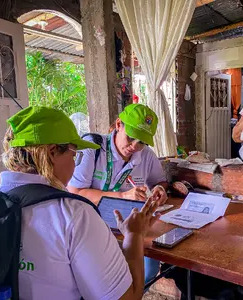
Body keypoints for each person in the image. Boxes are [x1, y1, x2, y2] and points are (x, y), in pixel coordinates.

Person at [0, 106, 160, 300]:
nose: (76, 164)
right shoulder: (75, 215)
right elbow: (127, 297)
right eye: (74, 155)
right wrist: (134, 235)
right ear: (51, 152)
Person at [67, 103, 168, 284]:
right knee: (104, 277)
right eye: (131, 138)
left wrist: (160, 189)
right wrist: (122, 196)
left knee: (148, 271)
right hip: (93, 224)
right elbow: (76, 192)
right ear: (118, 124)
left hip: (131, 225)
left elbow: (159, 182)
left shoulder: (146, 156)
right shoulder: (92, 149)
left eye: (142, 142)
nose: (135, 147)